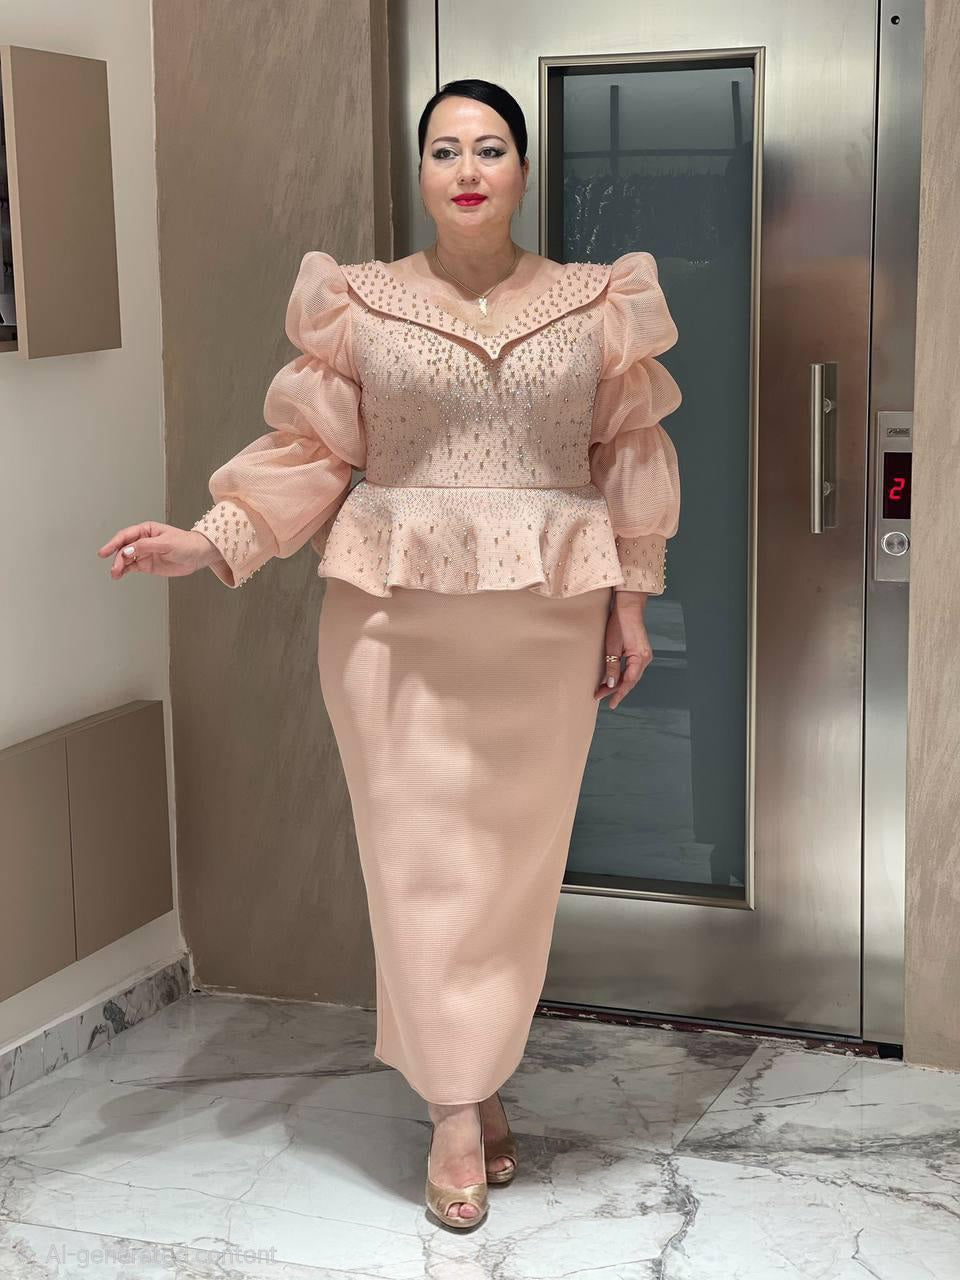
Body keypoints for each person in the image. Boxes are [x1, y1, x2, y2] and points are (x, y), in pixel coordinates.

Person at [97, 78, 682, 1231]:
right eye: (445, 149)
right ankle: (456, 1109)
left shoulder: (595, 303)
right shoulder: (357, 302)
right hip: (389, 623)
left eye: (491, 148)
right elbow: (310, 453)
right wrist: (211, 538)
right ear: (420, 172)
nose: (468, 168)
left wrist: (633, 603)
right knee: (416, 861)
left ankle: (477, 1069)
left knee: (510, 870)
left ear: (523, 168)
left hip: (548, 617)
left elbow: (628, 453)